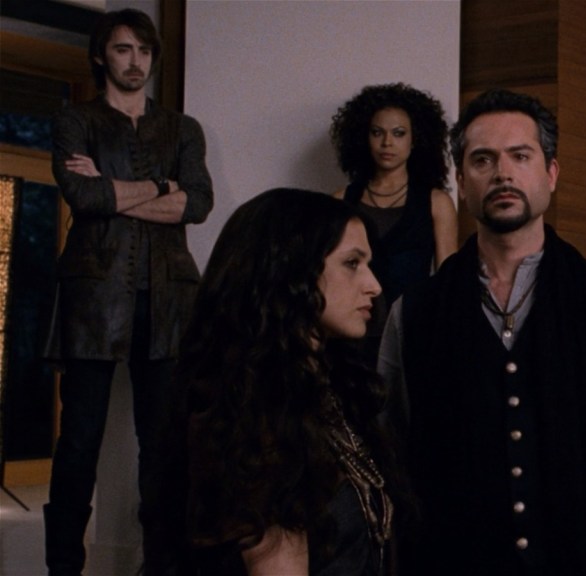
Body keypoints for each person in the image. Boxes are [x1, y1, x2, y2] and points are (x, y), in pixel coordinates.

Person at [377, 88, 586, 576]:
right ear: (462, 182)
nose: (503, 173)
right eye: (483, 160)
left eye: (520, 156)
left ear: (551, 174)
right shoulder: (412, 312)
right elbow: (390, 463)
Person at [42, 8, 214, 575]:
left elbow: (198, 202)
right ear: (101, 56)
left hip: (168, 301)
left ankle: (161, 567)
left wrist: (118, 191)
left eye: (144, 50)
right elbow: (84, 197)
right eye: (123, 49)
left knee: (164, 445)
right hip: (93, 299)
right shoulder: (77, 120)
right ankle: (63, 568)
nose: (136, 61)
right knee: (78, 442)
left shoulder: (182, 128)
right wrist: (161, 187)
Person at [180, 188, 400, 575]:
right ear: (291, 270)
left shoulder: (327, 392)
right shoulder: (256, 413)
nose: (374, 285)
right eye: (352, 263)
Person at [329, 83, 458, 363]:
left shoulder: (436, 202)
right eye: (377, 132)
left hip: (413, 333)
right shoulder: (341, 200)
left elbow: (449, 281)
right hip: (351, 335)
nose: (387, 142)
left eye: (398, 133)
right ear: (364, 137)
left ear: (415, 139)